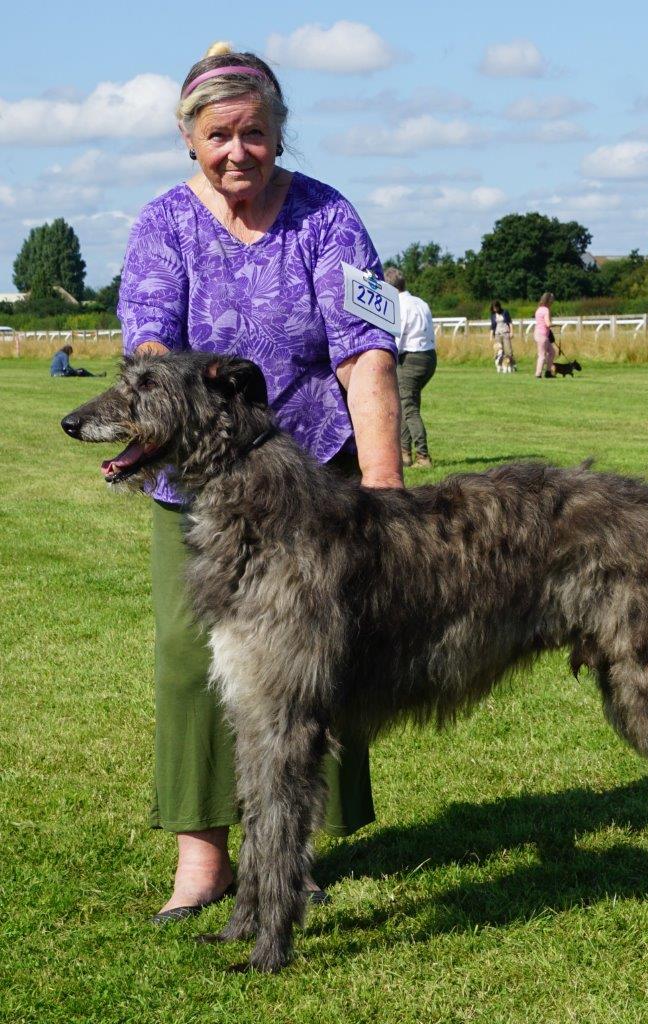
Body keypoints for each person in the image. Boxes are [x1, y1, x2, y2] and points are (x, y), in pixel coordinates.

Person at [116, 42, 403, 923]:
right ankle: (203, 858)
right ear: (189, 140)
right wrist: (170, 398)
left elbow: (366, 353)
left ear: (280, 133)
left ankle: (289, 858)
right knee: (185, 661)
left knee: (318, 668)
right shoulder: (161, 224)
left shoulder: (329, 216)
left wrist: (386, 490)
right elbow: (150, 347)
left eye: (255, 134)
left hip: (317, 477)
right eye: (218, 135)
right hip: (198, 490)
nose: (237, 151)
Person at [384, 267, 436, 468]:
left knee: (409, 407)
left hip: (411, 358)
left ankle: (423, 456)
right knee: (408, 404)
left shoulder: (399, 305)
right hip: (429, 356)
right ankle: (405, 454)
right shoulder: (420, 302)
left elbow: (398, 335)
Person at [533, 292, 556, 378]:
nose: (553, 302)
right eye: (552, 300)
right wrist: (556, 325)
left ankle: (548, 372)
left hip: (538, 334)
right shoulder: (546, 310)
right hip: (542, 335)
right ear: (549, 300)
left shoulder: (539, 309)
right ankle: (538, 374)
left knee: (552, 352)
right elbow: (548, 324)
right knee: (542, 355)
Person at [490, 300, 515, 372]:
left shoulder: (505, 312)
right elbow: (492, 326)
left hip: (506, 333)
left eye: (496, 308)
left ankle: (512, 365)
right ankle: (501, 365)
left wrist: (511, 332)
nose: (495, 309)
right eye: (493, 308)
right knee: (499, 352)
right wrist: (491, 336)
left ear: (498, 307)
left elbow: (510, 322)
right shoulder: (493, 315)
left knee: (509, 351)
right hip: (497, 334)